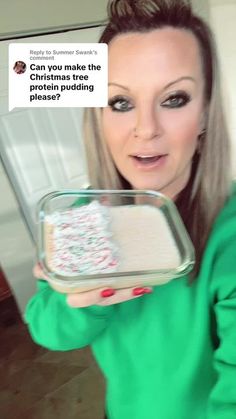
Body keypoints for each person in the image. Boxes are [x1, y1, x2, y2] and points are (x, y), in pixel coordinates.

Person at [25, 1, 236, 418]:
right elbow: (51, 332)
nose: (145, 128)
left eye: (175, 98)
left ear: (206, 115)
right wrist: (83, 298)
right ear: (98, 117)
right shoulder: (81, 216)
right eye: (120, 103)